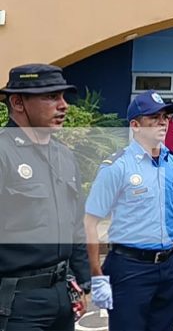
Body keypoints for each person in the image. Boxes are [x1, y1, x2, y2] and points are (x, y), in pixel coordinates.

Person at [84, 91, 173, 331]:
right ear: (135, 126)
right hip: (130, 269)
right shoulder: (117, 167)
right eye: (154, 117)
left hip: (168, 266)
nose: (162, 122)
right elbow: (90, 221)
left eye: (165, 117)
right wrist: (97, 275)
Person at [0, 64, 90, 331]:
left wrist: (83, 283)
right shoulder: (4, 154)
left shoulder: (62, 155)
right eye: (50, 97)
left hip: (61, 294)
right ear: (18, 102)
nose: (63, 105)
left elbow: (76, 225)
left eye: (63, 97)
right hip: (16, 300)